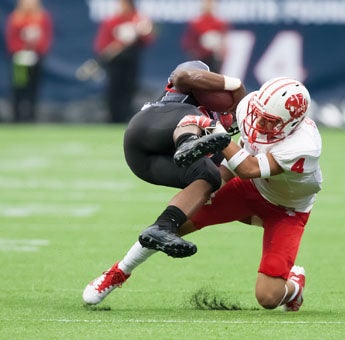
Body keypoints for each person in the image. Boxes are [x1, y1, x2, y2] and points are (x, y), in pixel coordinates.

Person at [83, 77, 322, 313]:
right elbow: (242, 158)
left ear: (292, 124)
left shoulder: (304, 145)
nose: (258, 121)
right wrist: (212, 183)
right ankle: (117, 272)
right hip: (248, 188)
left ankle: (295, 286)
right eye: (259, 112)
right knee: (172, 224)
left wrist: (217, 133)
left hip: (286, 209)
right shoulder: (251, 107)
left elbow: (250, 169)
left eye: (269, 121)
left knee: (268, 297)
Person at [82, 59, 246, 303]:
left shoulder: (219, 131)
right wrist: (236, 85)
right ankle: (186, 142)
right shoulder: (184, 92)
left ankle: (162, 228)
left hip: (147, 163)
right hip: (148, 129)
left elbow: (224, 175)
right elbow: (182, 75)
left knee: (208, 176)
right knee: (194, 120)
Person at [93, 0, 155, 123]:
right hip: (115, 62)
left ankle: (126, 118)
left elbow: (148, 39)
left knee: (129, 89)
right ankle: (113, 118)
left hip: (131, 61)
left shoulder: (139, 20)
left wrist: (139, 33)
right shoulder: (112, 21)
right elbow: (102, 45)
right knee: (114, 89)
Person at [5, 0, 53, 122]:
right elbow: (11, 38)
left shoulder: (42, 17)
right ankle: (17, 117)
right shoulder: (16, 18)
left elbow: (47, 37)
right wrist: (19, 51)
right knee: (19, 86)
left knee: (34, 87)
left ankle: (31, 116)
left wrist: (37, 50)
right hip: (19, 60)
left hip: (36, 58)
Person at [181, 0, 229, 73]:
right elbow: (188, 41)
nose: (208, 7)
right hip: (200, 57)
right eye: (206, 4)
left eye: (210, 4)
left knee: (214, 78)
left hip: (214, 57)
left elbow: (223, 40)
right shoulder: (195, 23)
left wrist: (221, 51)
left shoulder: (219, 23)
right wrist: (194, 51)